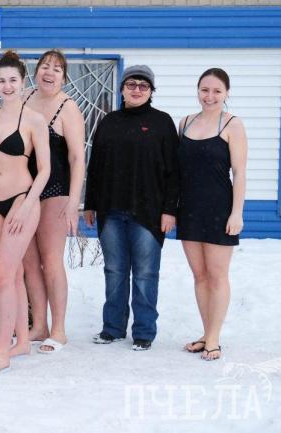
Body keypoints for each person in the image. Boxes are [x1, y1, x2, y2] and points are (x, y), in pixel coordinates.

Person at [84, 65, 179, 351]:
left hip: (149, 213)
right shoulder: (109, 121)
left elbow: (174, 171)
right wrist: (90, 204)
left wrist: (170, 209)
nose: (137, 89)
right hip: (110, 210)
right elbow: (95, 166)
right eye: (131, 84)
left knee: (145, 274)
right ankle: (113, 328)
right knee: (114, 271)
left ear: (151, 91)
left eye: (143, 85)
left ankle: (144, 332)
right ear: (122, 88)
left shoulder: (162, 122)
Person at [0, 50, 50, 375]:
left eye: (13, 80)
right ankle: (21, 341)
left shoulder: (34, 119)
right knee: (13, 273)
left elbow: (45, 170)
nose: (7, 86)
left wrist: (29, 205)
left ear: (23, 82)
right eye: (1, 81)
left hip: (21, 199)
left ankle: (1, 351)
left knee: (2, 274)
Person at [177, 68, 247, 361]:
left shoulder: (232, 124)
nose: (210, 96)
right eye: (205, 90)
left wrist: (237, 213)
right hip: (189, 209)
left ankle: (214, 338)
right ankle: (207, 333)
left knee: (217, 276)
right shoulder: (184, 123)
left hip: (220, 209)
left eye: (217, 91)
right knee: (200, 276)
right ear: (198, 91)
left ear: (226, 93)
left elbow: (239, 173)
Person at [21, 50, 86, 353]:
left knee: (51, 260)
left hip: (55, 190)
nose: (49, 72)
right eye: (45, 66)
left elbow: (77, 158)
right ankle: (39, 325)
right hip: (23, 190)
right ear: (36, 71)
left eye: (57, 69)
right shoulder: (23, 98)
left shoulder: (68, 107)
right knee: (29, 262)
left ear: (64, 77)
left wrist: (74, 201)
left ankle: (58, 329)